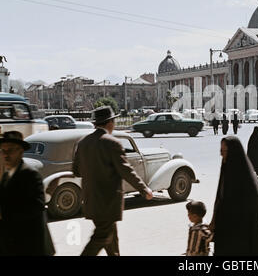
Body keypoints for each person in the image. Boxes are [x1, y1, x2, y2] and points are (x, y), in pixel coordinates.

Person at [73, 106, 153, 256]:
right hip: (108, 203)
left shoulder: (83, 143)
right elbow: (126, 171)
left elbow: (76, 171)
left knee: (111, 241)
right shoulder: (112, 143)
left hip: (91, 201)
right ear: (110, 122)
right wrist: (144, 189)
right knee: (101, 238)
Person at [0, 131, 55, 256]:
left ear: (20, 151)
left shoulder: (30, 175)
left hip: (29, 244)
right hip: (13, 242)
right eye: (3, 150)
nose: (6, 155)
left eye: (10, 150)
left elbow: (37, 205)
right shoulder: (7, 174)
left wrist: (5, 214)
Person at [210, 136, 258, 256]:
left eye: (225, 151)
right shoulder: (227, 171)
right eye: (221, 151)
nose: (222, 155)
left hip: (240, 235)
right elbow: (220, 199)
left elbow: (249, 210)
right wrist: (214, 221)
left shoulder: (247, 182)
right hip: (225, 232)